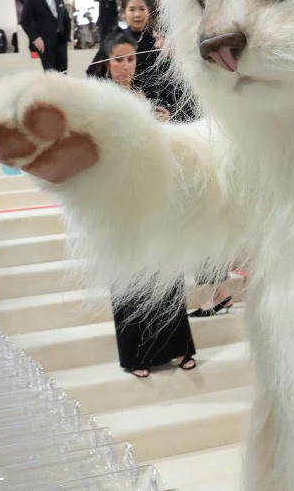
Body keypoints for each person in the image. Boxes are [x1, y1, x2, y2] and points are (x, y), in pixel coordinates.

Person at [94, 33, 192, 378]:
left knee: (166, 267)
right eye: (119, 60)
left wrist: (163, 126)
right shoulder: (99, 102)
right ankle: (135, 355)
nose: (126, 66)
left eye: (131, 59)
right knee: (129, 271)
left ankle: (179, 347)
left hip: (153, 192)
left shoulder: (144, 95)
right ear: (107, 63)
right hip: (119, 196)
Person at [20, 0, 72, 73]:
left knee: (63, 73)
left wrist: (66, 36)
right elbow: (24, 21)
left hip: (61, 41)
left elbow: (66, 19)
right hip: (44, 43)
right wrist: (35, 38)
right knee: (50, 74)